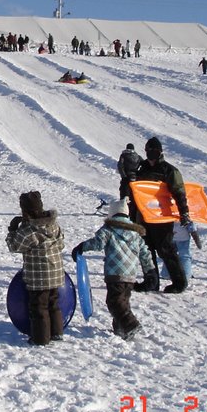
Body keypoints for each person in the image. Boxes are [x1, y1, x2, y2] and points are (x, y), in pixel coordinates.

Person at [71, 199, 155, 340]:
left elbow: (97, 243)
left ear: (111, 213)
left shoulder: (108, 229)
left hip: (115, 272)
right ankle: (120, 329)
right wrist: (150, 270)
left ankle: (130, 324)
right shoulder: (135, 233)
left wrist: (81, 247)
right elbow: (145, 253)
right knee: (123, 300)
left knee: (114, 302)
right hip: (130, 274)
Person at [6, 191, 65, 346]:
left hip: (39, 277)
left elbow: (14, 246)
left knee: (39, 308)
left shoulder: (29, 231)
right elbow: (61, 244)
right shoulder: (53, 225)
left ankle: (40, 338)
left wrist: (12, 230)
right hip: (56, 273)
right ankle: (57, 332)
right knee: (53, 304)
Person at [132, 137, 189, 293]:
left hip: (161, 217)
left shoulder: (168, 170)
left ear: (160, 152)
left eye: (153, 151)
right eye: (148, 151)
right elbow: (134, 192)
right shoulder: (141, 169)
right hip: (143, 217)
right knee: (146, 250)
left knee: (166, 250)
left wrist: (184, 213)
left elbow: (179, 192)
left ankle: (179, 282)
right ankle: (151, 282)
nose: (150, 154)